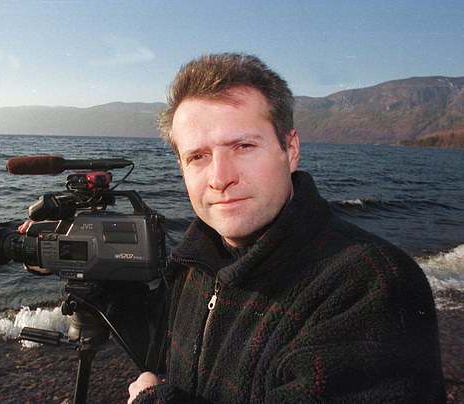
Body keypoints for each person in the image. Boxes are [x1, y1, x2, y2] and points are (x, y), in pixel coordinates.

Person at [127, 53, 445, 403]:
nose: (219, 178)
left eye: (244, 146)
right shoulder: (192, 265)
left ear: (290, 149)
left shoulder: (370, 283)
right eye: (198, 157)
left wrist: (154, 399)